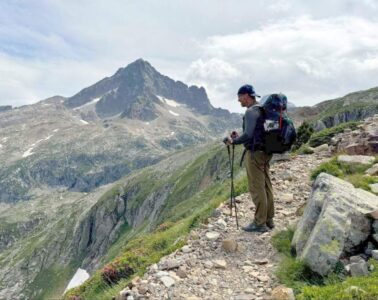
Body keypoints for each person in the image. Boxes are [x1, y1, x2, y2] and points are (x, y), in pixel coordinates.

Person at [225, 84, 274, 233]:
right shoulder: (261, 109)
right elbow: (255, 132)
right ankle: (269, 219)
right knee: (266, 185)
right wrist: (240, 136)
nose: (239, 100)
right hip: (265, 152)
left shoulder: (250, 112)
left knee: (256, 187)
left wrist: (234, 141)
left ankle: (260, 223)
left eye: (239, 97)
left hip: (255, 154)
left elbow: (249, 135)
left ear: (246, 96)